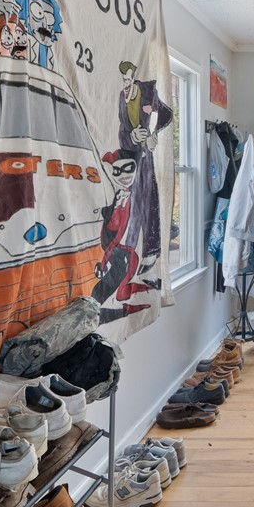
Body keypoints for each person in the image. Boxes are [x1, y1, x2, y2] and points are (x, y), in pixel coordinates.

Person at [116, 61, 171, 271]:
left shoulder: (149, 92)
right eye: (123, 81)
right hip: (130, 155)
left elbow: (165, 114)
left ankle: (149, 251)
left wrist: (153, 134)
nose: (126, 85)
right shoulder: (122, 97)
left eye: (128, 80)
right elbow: (122, 130)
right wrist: (131, 135)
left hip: (146, 156)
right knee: (132, 199)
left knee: (147, 198)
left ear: (135, 77)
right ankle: (130, 248)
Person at [92, 150, 152, 323]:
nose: (123, 175)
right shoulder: (118, 197)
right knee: (103, 290)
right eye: (118, 171)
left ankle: (120, 307)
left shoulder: (136, 195)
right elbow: (111, 231)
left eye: (128, 169)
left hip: (123, 250)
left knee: (114, 282)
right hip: (115, 249)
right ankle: (115, 308)